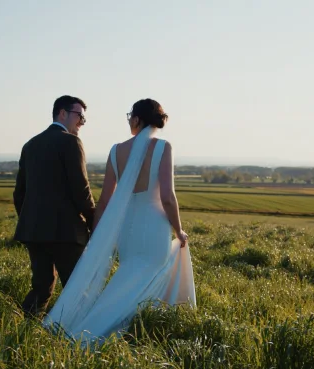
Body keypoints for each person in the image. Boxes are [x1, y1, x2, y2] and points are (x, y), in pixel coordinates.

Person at [43, 99, 196, 343]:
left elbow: (104, 200)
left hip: (127, 230)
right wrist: (179, 231)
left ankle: (94, 327)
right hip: (154, 228)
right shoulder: (163, 148)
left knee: (126, 279)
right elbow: (167, 197)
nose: (128, 121)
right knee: (142, 282)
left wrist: (98, 232)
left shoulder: (116, 151)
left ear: (137, 119)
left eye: (129, 116)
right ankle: (106, 333)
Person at [13, 95, 96, 315]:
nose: (82, 122)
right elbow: (81, 189)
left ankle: (26, 332)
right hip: (66, 232)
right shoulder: (71, 142)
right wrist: (93, 220)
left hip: (34, 231)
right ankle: (78, 336)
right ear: (62, 113)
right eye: (80, 116)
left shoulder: (30, 145)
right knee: (76, 288)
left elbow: (19, 192)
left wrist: (31, 219)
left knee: (41, 287)